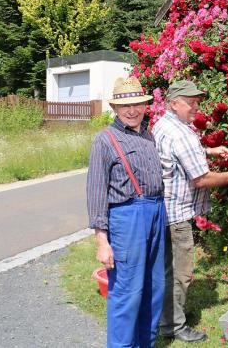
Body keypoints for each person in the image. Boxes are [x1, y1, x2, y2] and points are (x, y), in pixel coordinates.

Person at [153, 79, 228, 343]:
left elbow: (176, 153)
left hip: (163, 211)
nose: (196, 108)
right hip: (177, 216)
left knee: (166, 270)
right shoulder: (181, 133)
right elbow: (201, 179)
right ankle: (173, 326)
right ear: (173, 103)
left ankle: (167, 315)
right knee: (181, 274)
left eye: (197, 102)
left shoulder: (163, 125)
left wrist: (209, 150)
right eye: (190, 103)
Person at [86, 76, 167, 348]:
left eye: (137, 104)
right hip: (126, 218)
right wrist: (102, 241)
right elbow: (96, 192)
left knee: (154, 287)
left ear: (145, 106)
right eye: (125, 106)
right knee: (126, 292)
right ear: (115, 109)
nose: (132, 111)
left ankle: (146, 343)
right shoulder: (105, 140)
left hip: (156, 212)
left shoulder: (148, 134)